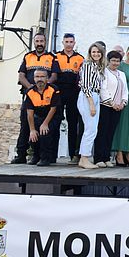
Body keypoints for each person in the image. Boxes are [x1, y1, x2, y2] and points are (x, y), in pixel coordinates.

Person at [12, 32, 59, 164]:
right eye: (37, 41)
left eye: (41, 41)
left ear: (45, 42)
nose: (39, 44)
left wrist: (43, 86)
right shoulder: (28, 56)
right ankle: (21, 155)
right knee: (25, 126)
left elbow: (54, 76)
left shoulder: (52, 57)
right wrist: (31, 89)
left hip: (46, 97)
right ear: (34, 42)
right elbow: (21, 76)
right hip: (30, 96)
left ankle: (44, 157)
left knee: (45, 128)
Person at [93, 50, 128, 168]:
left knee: (110, 133)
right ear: (108, 60)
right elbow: (103, 89)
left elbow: (125, 90)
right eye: (113, 60)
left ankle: (106, 158)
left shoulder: (122, 74)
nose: (115, 63)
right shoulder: (104, 72)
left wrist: (123, 102)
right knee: (102, 132)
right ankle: (98, 158)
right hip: (106, 106)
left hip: (118, 108)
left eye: (118, 61)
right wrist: (112, 103)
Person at [54, 33, 84, 165]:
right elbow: (53, 75)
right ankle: (52, 155)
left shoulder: (80, 58)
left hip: (74, 93)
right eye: (66, 42)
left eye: (71, 42)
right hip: (59, 93)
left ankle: (73, 155)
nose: (69, 44)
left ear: (74, 43)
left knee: (73, 124)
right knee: (55, 122)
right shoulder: (56, 57)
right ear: (63, 42)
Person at [76, 42, 105, 170]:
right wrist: (91, 104)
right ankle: (84, 158)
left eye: (98, 52)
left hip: (95, 95)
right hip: (88, 97)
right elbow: (86, 86)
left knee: (92, 129)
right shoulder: (87, 65)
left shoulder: (98, 67)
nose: (96, 54)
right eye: (93, 52)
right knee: (90, 129)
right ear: (90, 53)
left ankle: (84, 158)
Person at [23, 68, 60, 167]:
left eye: (42, 76)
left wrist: (45, 124)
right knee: (33, 134)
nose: (40, 79)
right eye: (37, 77)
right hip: (38, 116)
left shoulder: (54, 89)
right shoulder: (29, 92)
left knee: (44, 132)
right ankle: (36, 156)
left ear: (47, 78)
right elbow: (29, 112)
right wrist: (32, 130)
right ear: (34, 78)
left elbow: (53, 109)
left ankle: (45, 158)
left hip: (52, 116)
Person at [112, 44, 129, 167]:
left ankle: (128, 153)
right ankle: (119, 153)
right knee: (122, 125)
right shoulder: (121, 65)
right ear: (127, 52)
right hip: (123, 97)